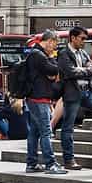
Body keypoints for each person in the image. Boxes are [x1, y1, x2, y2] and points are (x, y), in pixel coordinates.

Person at [53, 27, 92, 170]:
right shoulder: (63, 53)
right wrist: (85, 71)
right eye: (82, 38)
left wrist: (82, 71)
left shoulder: (84, 53)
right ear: (73, 37)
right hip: (72, 93)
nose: (84, 41)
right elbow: (70, 72)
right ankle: (69, 159)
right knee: (68, 127)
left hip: (87, 91)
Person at [24, 30, 67, 174]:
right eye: (55, 44)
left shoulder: (34, 54)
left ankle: (31, 163)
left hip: (35, 97)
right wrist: (52, 57)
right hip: (39, 98)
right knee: (46, 132)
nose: (54, 48)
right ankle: (50, 163)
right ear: (49, 41)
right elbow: (54, 69)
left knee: (35, 132)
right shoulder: (39, 55)